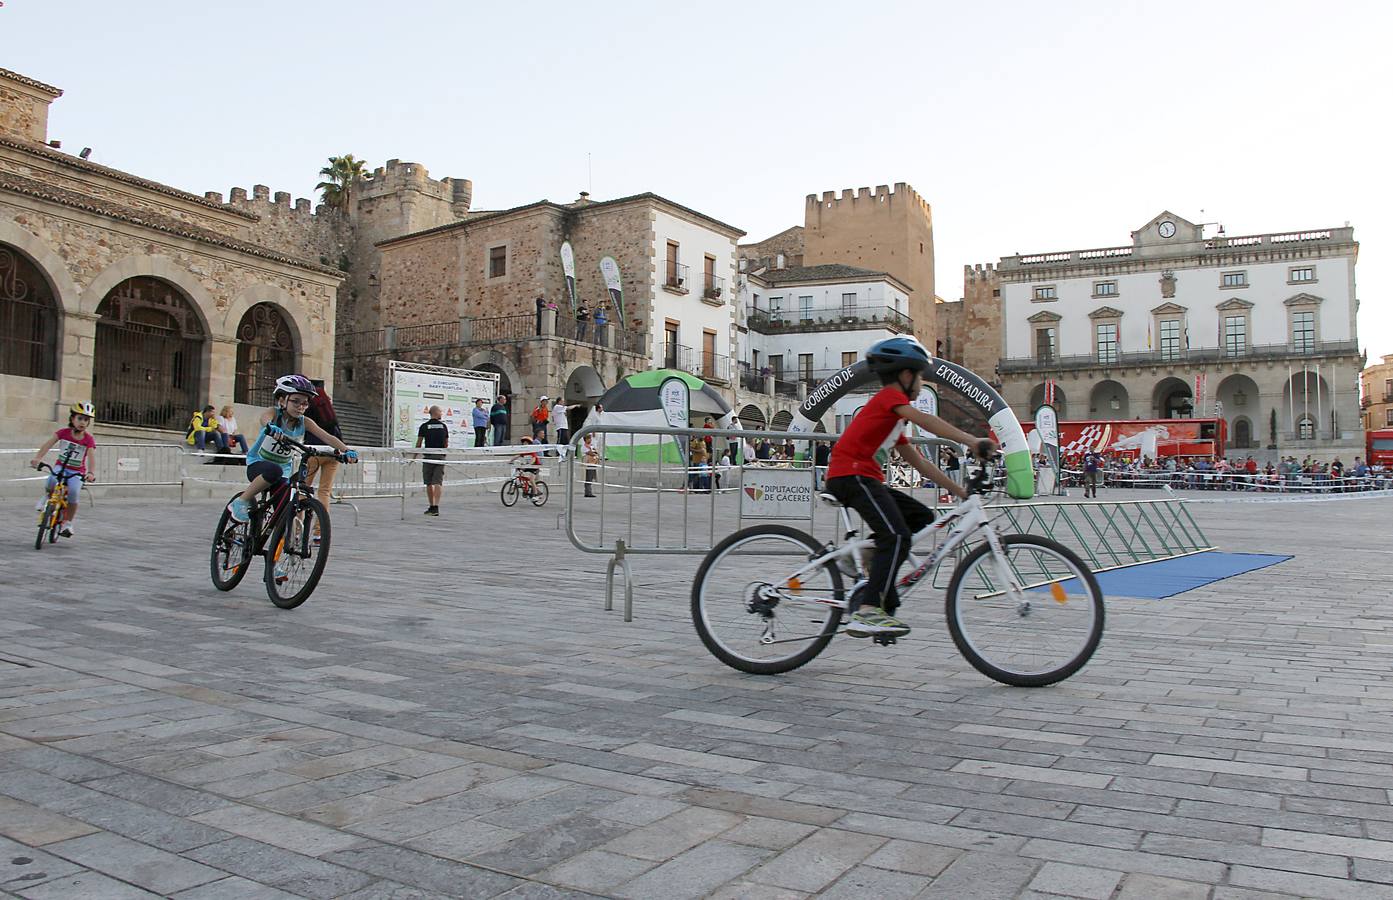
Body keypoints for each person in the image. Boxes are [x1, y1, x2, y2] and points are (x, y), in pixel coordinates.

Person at [824, 337, 995, 638]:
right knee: (896, 536)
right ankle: (868, 610)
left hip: (863, 478)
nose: (920, 383)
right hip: (851, 476)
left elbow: (919, 463)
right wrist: (972, 440)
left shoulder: (892, 418)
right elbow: (927, 421)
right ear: (906, 376)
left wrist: (961, 493)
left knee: (920, 517)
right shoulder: (889, 400)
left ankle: (865, 555)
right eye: (919, 377)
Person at [225, 375, 357, 530]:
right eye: (295, 401)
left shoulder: (305, 422)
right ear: (282, 401)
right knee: (274, 470)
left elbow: (328, 437)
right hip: (258, 464)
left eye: (305, 403)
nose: (301, 406)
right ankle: (241, 501)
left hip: (282, 473)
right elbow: (264, 418)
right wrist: (271, 427)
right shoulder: (274, 413)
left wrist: (347, 450)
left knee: (288, 506)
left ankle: (280, 542)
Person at [30, 401, 98, 537]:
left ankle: (67, 523)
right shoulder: (63, 433)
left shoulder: (88, 439)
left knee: (73, 492)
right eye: (79, 418)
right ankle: (47, 497)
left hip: (77, 471)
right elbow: (47, 445)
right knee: (51, 480)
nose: (82, 422)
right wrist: (38, 458)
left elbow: (91, 458)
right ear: (72, 419)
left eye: (86, 420)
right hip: (61, 466)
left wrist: (90, 473)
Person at [303, 379, 343, 511]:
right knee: (324, 492)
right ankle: (319, 530)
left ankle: (297, 527)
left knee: (303, 490)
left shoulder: (308, 408)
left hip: (314, 451)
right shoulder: (327, 409)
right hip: (333, 452)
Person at [416, 405, 448, 516]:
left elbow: (419, 444)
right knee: (438, 482)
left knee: (429, 482)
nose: (441, 413)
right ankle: (436, 507)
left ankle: (431, 505)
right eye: (440, 411)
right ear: (435, 413)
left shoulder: (424, 426)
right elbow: (446, 443)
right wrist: (444, 455)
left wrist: (414, 457)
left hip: (428, 457)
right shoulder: (443, 426)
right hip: (440, 457)